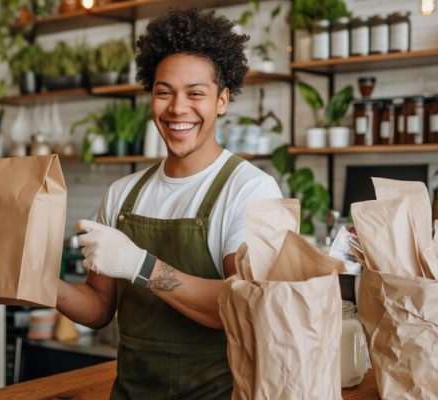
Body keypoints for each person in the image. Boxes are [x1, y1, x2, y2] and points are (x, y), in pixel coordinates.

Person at [56, 7, 282, 399]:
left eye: (196, 93)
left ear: (223, 100)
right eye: (164, 92)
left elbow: (241, 307)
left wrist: (140, 266)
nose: (177, 108)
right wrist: (39, 285)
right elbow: (97, 308)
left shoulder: (252, 191)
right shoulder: (122, 193)